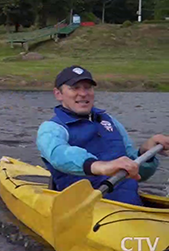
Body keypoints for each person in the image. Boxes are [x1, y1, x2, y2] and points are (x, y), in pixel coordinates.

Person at [36, 65, 169, 206]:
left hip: (129, 207)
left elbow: (137, 172)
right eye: (75, 88)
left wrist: (146, 152)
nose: (83, 93)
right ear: (58, 94)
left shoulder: (110, 122)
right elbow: (60, 155)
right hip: (84, 209)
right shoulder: (51, 129)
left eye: (87, 87)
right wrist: (100, 166)